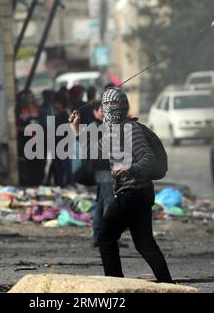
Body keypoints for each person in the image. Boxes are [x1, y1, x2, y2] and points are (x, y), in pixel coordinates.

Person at [69, 87, 173, 282]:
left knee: (105, 237)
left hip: (132, 193)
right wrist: (76, 127)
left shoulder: (130, 129)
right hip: (139, 194)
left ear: (108, 109)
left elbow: (148, 158)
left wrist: (129, 169)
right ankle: (168, 283)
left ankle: (115, 283)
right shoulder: (113, 131)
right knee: (144, 243)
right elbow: (93, 151)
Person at [89, 101, 114, 248]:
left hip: (103, 170)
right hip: (103, 170)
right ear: (94, 112)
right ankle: (107, 237)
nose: (104, 113)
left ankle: (98, 236)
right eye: (101, 110)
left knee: (101, 204)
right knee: (109, 204)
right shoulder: (97, 127)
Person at [53, 91, 73, 187]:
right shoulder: (57, 115)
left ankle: (68, 183)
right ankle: (60, 184)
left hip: (64, 145)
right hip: (56, 145)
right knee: (58, 167)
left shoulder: (65, 115)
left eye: (56, 103)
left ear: (60, 104)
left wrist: (68, 145)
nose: (55, 105)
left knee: (65, 166)